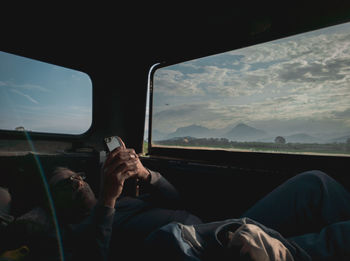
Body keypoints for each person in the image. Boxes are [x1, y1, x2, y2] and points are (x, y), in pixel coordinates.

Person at [47, 138, 350, 261]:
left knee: (314, 183)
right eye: (64, 184)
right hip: (191, 250)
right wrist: (108, 199)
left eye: (76, 178)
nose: (75, 184)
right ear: (56, 205)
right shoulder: (77, 232)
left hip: (214, 226)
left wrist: (146, 174)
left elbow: (179, 200)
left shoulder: (126, 201)